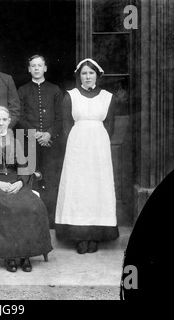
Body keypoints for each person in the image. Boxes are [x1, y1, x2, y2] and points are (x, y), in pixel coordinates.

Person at [0, 106, 53, 272]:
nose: (1, 123)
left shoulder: (15, 141)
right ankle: (9, 256)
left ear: (9, 121)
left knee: (33, 205)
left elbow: (23, 167)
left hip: (14, 181)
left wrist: (20, 183)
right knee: (8, 207)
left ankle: (26, 255)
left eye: (4, 120)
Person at [55, 58, 119, 254]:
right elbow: (66, 125)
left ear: (97, 76)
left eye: (91, 73)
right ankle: (80, 237)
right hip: (77, 147)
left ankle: (96, 236)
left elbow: (110, 125)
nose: (88, 76)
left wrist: (97, 141)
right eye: (84, 73)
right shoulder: (71, 96)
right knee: (79, 188)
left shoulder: (108, 97)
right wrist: (76, 146)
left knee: (97, 187)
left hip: (98, 147)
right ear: (79, 76)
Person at [17, 54, 64, 225]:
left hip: (51, 143)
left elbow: (61, 118)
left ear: (45, 68)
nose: (36, 69)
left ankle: (51, 221)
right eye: (33, 66)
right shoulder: (22, 90)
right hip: (30, 142)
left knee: (51, 180)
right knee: (31, 179)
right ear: (29, 69)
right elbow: (19, 117)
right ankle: (33, 220)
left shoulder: (55, 90)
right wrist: (36, 133)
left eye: (39, 65)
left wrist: (49, 134)